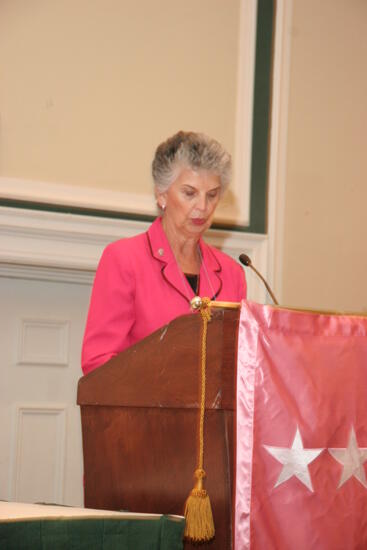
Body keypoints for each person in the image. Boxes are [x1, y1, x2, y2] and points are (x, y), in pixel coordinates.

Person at [81, 131, 247, 374]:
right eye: (189, 193)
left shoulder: (232, 273)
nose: (203, 207)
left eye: (212, 195)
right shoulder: (125, 259)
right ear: (161, 195)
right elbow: (99, 362)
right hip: (143, 411)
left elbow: (240, 364)